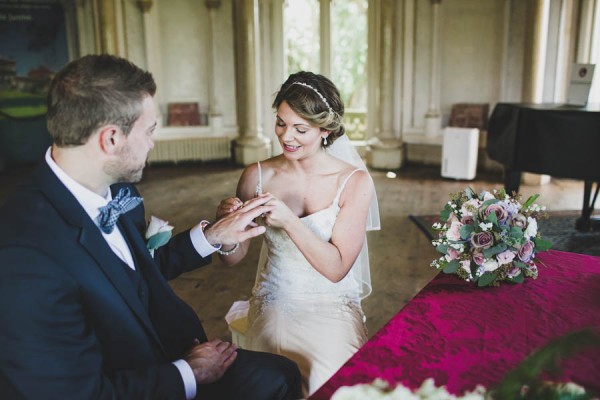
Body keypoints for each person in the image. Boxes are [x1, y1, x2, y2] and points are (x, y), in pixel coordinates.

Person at [0, 54, 302, 400]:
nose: (152, 143)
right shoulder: (26, 255)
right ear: (111, 139)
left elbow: (133, 270)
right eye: (150, 131)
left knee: (279, 375)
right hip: (133, 381)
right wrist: (188, 373)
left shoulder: (119, 191)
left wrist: (211, 237)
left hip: (168, 345)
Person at [217, 71, 380, 396]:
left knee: (329, 384)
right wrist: (225, 230)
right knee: (276, 380)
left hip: (332, 303)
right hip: (277, 298)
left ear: (326, 130)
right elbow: (232, 260)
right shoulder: (257, 175)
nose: (287, 136)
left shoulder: (354, 182)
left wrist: (289, 220)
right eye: (281, 123)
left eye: (300, 129)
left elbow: (336, 269)